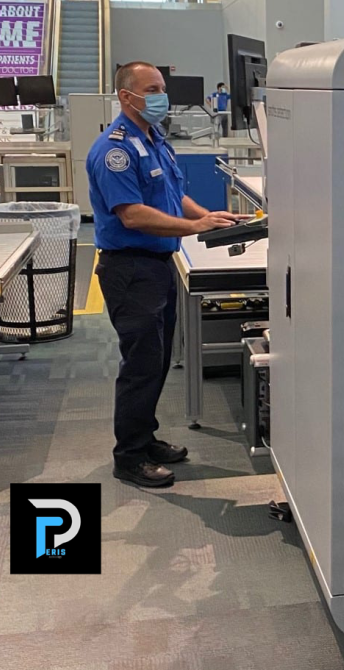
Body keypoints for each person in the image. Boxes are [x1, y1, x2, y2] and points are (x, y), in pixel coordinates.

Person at [88, 61, 236, 487]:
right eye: (151, 89)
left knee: (155, 362)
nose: (161, 97)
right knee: (140, 366)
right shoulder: (114, 150)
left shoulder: (153, 139)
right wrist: (194, 228)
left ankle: (145, 438)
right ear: (126, 96)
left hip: (157, 265)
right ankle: (129, 457)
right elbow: (132, 215)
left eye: (161, 88)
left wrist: (208, 218)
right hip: (130, 268)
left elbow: (173, 195)